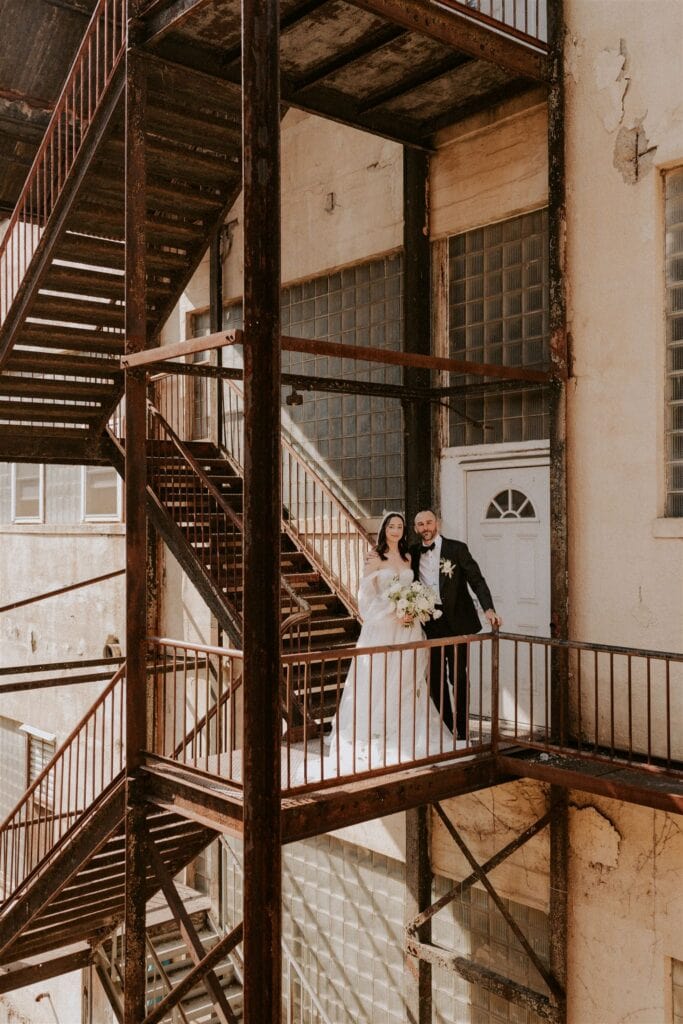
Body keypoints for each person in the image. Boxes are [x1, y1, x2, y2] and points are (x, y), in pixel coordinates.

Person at [326, 512, 452, 776]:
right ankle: (376, 730)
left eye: (400, 526)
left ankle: (407, 728)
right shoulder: (374, 557)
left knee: (407, 677)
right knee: (380, 675)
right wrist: (390, 610)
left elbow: (416, 587)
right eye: (391, 526)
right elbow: (365, 594)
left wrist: (414, 608)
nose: (396, 530)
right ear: (383, 529)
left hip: (408, 627)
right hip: (383, 626)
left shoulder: (408, 557)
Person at [410, 508, 502, 739]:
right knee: (435, 678)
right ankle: (447, 728)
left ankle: (462, 731)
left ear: (437, 524)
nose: (425, 528)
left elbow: (477, 581)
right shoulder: (412, 553)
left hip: (458, 622)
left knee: (458, 676)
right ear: (415, 529)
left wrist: (488, 609)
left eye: (429, 522)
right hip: (430, 623)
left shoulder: (457, 549)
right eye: (420, 524)